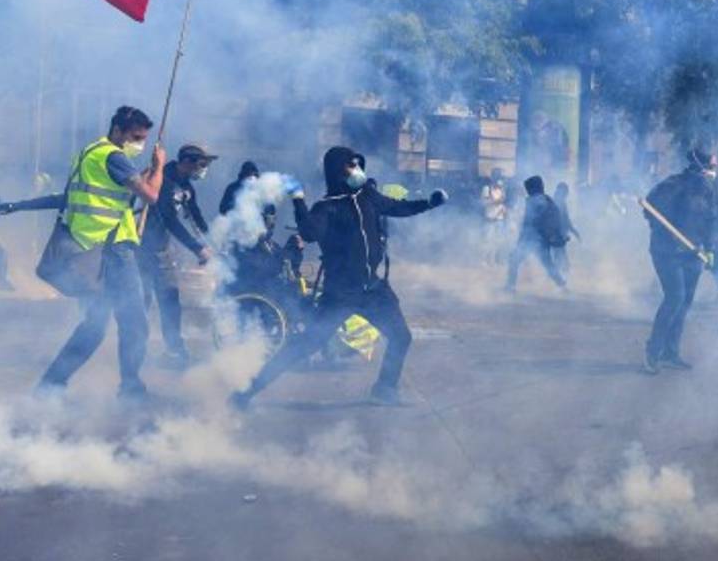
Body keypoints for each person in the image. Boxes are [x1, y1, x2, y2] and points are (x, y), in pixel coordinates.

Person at [230, 146, 447, 409]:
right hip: (341, 294)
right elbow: (309, 232)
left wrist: (429, 203)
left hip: (373, 290)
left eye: (357, 164)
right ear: (336, 172)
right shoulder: (328, 207)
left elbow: (398, 207)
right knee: (305, 346)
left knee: (401, 337)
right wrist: (298, 199)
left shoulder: (369, 196)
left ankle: (384, 389)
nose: (357, 169)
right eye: (350, 165)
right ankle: (246, 392)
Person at [37, 106, 166, 399]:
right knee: (134, 323)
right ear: (117, 129)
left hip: (91, 249)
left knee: (95, 325)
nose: (139, 143)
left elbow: (122, 191)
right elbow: (151, 196)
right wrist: (159, 166)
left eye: (143, 138)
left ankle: (50, 385)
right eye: (135, 137)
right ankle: (130, 387)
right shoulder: (114, 157)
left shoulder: (91, 151)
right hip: (113, 252)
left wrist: (142, 173)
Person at [138, 143, 216, 366]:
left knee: (170, 300)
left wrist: (211, 240)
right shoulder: (163, 180)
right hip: (141, 249)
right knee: (141, 301)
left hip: (162, 250)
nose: (203, 169)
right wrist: (196, 247)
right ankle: (136, 351)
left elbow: (195, 215)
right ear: (187, 162)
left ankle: (174, 352)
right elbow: (170, 220)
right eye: (201, 164)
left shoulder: (186, 187)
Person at [642, 147, 717, 374]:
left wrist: (710, 249)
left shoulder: (708, 190)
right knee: (675, 298)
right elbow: (649, 211)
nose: (713, 171)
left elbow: (710, 220)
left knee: (685, 303)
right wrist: (669, 233)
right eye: (711, 167)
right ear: (699, 166)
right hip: (668, 252)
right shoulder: (672, 185)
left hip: (693, 253)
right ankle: (652, 352)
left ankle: (670, 352)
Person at [505, 175, 567, 292]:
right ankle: (562, 285)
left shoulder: (533, 201)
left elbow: (528, 223)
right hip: (542, 240)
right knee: (548, 265)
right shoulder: (547, 199)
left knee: (514, 260)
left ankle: (510, 286)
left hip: (531, 239)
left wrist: (521, 240)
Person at [552, 181, 581, 280]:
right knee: (562, 261)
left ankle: (558, 283)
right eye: (565, 192)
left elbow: (566, 219)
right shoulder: (556, 203)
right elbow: (560, 220)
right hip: (556, 236)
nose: (566, 195)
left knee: (560, 260)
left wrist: (574, 231)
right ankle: (559, 284)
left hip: (559, 235)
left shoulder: (561, 202)